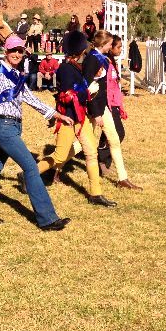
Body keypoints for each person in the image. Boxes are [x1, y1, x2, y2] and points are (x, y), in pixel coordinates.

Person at [0, 35, 73, 231]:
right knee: (31, 167)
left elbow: (31, 99)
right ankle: (47, 219)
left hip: (13, 127)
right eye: (13, 50)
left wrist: (57, 115)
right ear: (6, 51)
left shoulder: (17, 75)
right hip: (2, 127)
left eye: (20, 51)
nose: (17, 54)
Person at [36, 31, 117, 207]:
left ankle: (95, 193)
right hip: (68, 119)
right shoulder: (65, 69)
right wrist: (89, 92)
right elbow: (67, 96)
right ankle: (30, 175)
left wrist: (86, 92)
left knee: (91, 153)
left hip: (80, 118)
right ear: (80, 50)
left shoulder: (74, 66)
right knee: (60, 156)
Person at [96, 35, 141, 190]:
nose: (121, 50)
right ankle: (101, 158)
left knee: (113, 136)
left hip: (113, 104)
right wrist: (108, 106)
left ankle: (120, 176)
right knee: (117, 134)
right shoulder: (104, 62)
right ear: (109, 46)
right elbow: (104, 86)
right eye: (118, 47)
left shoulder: (113, 62)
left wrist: (120, 103)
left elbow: (114, 83)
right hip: (106, 105)